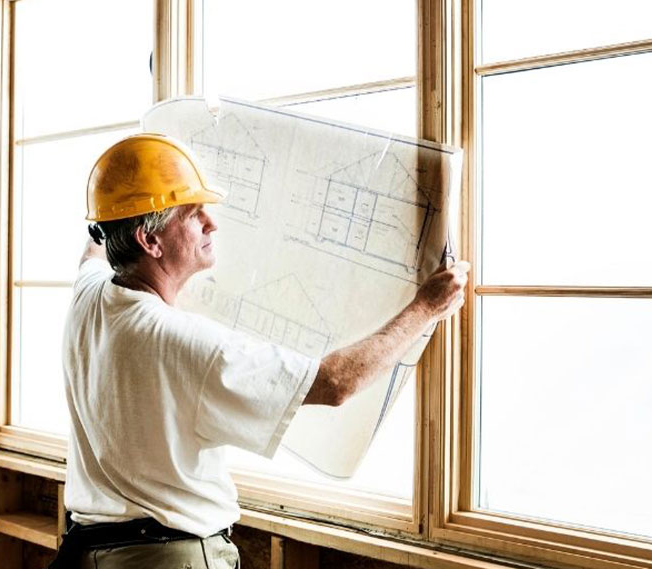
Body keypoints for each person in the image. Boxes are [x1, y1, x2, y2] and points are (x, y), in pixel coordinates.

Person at [50, 133, 469, 569]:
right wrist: (425, 308)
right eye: (193, 215)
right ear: (149, 241)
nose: (212, 223)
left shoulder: (90, 295)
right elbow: (335, 383)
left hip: (89, 554)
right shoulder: (181, 342)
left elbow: (93, 249)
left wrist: (121, 190)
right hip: (164, 559)